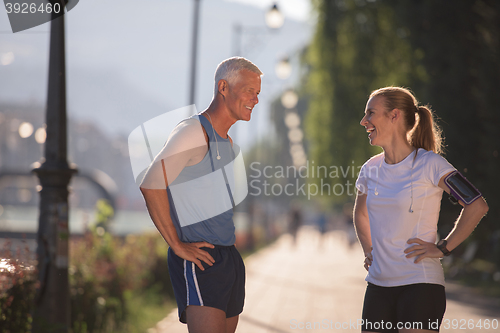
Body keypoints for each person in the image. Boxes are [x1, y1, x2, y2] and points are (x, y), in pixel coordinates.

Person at [140, 57, 262, 333]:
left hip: (228, 259)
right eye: (248, 91)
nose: (255, 100)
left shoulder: (228, 143)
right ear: (223, 87)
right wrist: (177, 244)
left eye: (257, 93)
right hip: (201, 260)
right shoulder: (194, 132)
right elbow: (151, 183)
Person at [353, 87, 489, 333]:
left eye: (371, 113)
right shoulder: (370, 169)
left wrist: (443, 247)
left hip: (420, 285)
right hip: (378, 286)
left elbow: (476, 204)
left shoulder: (430, 164)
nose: (364, 121)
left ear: (394, 116)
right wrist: (369, 250)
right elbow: (360, 213)